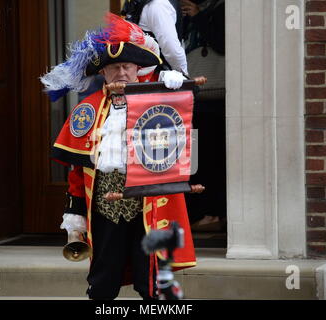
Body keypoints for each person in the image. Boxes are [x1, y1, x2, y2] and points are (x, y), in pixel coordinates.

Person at [41, 15, 196, 300]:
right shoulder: (87, 109)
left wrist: (178, 84)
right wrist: (74, 215)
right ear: (104, 72)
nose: (121, 73)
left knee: (153, 281)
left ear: (138, 69)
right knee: (103, 281)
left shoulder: (158, 99)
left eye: (127, 66)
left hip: (148, 205)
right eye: (114, 67)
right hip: (104, 209)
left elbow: (187, 112)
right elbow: (78, 171)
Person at [181, 0, 226, 231]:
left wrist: (199, 16)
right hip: (194, 97)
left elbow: (222, 43)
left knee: (211, 158)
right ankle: (201, 211)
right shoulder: (187, 13)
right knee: (197, 158)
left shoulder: (222, 8)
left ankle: (213, 212)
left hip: (215, 99)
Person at [121, 0, 188, 75]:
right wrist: (183, 75)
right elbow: (172, 50)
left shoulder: (136, 3)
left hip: (140, 72)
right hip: (158, 76)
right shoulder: (159, 5)